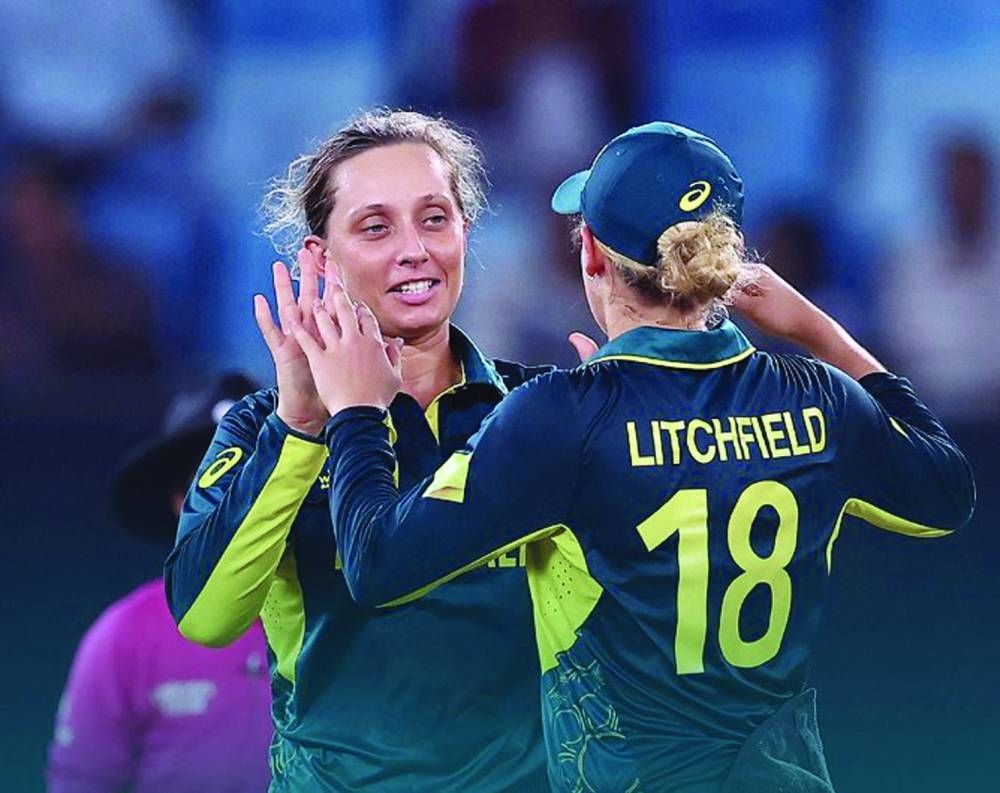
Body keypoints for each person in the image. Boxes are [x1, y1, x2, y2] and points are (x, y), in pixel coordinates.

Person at [292, 122, 976, 792]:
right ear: (723, 261)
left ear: (591, 252)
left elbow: (377, 563)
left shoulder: (566, 414)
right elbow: (947, 489)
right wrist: (817, 330)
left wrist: (356, 414)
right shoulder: (816, 396)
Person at [164, 110, 581, 791]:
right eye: (376, 226)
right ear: (319, 258)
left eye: (435, 218)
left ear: (466, 232)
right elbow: (205, 617)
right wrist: (300, 423)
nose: (413, 249)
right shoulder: (261, 425)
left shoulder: (538, 409)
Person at [47, 373, 272, 793]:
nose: (239, 501)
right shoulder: (125, 636)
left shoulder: (350, 616)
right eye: (212, 483)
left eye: (257, 475)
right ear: (179, 504)